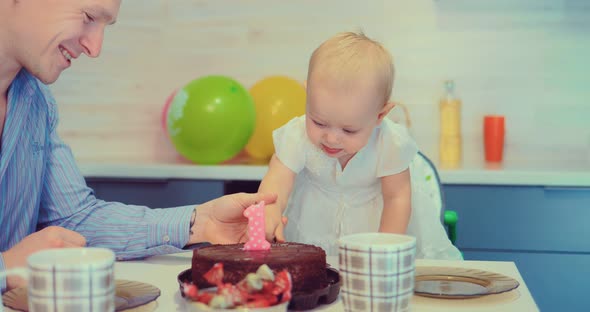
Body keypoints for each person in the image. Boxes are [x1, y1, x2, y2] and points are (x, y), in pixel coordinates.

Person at [0, 0, 278, 292]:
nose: (95, 48)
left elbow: (74, 219)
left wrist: (201, 221)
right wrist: (6, 266)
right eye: (88, 16)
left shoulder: (37, 102)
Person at [259, 31, 461, 259]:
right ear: (307, 96)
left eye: (349, 130)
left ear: (380, 115)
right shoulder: (297, 135)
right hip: (312, 226)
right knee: (319, 280)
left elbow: (398, 198)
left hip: (375, 228)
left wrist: (386, 247)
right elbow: (278, 177)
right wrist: (270, 208)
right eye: (319, 122)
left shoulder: (389, 142)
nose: (332, 138)